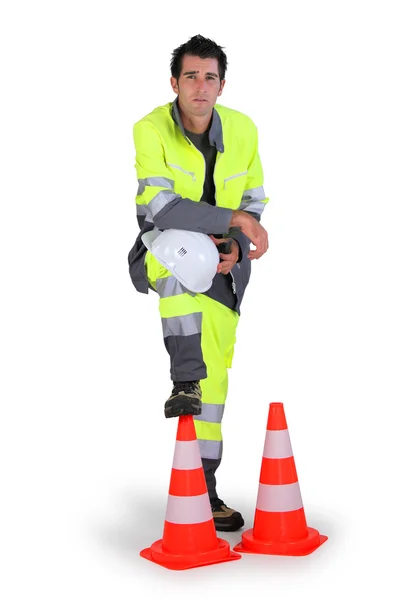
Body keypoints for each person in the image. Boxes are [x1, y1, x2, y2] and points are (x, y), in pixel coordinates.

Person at [128, 34, 269, 532]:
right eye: (191, 76)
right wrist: (233, 220)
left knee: (217, 383)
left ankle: (204, 491)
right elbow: (162, 209)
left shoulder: (245, 130)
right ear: (174, 82)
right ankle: (182, 377)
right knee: (175, 251)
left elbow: (254, 201)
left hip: (225, 271)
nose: (200, 86)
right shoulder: (150, 130)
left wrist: (237, 243)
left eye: (210, 77)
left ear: (221, 85)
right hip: (168, 250)